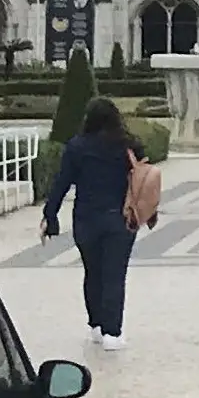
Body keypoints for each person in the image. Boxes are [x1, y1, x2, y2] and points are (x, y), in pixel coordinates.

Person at [43, 96, 145, 347]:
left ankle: (96, 324)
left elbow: (61, 182)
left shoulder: (77, 147)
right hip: (119, 218)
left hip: (86, 219)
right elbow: (142, 177)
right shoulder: (128, 146)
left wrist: (50, 214)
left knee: (93, 272)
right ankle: (113, 332)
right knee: (114, 275)